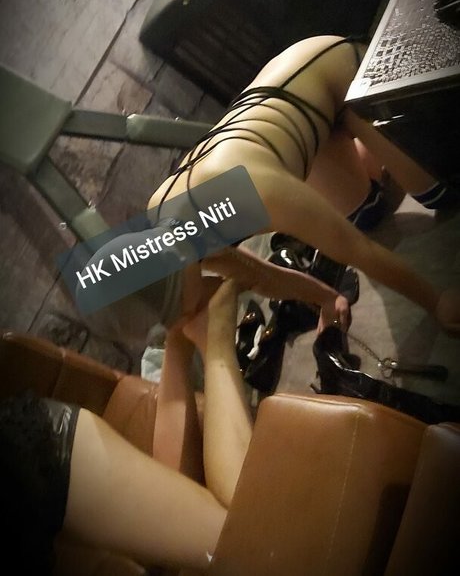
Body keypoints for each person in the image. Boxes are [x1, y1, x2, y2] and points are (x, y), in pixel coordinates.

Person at [146, 34, 460, 336]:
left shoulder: (248, 190)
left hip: (334, 70)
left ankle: (372, 126)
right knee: (366, 214)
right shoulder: (167, 223)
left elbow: (357, 250)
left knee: (438, 194)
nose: (181, 328)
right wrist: (327, 299)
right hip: (302, 115)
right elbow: (259, 276)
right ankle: (361, 138)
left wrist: (436, 302)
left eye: (179, 318)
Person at [0, 279, 252, 573]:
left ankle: (203, 340)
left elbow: (241, 535)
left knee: (243, 538)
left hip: (31, 468)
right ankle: (194, 339)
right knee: (241, 541)